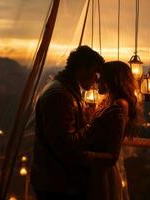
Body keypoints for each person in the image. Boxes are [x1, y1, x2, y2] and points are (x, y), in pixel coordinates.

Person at [31, 45, 104, 200]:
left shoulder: (65, 90)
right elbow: (66, 144)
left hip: (58, 182)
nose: (97, 79)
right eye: (95, 72)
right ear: (82, 69)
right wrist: (94, 126)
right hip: (58, 185)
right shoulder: (60, 96)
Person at [84, 61, 142, 200]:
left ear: (112, 80)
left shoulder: (119, 105)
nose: (97, 81)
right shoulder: (108, 103)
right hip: (95, 171)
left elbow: (113, 155)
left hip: (103, 175)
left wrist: (83, 155)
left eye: (101, 76)